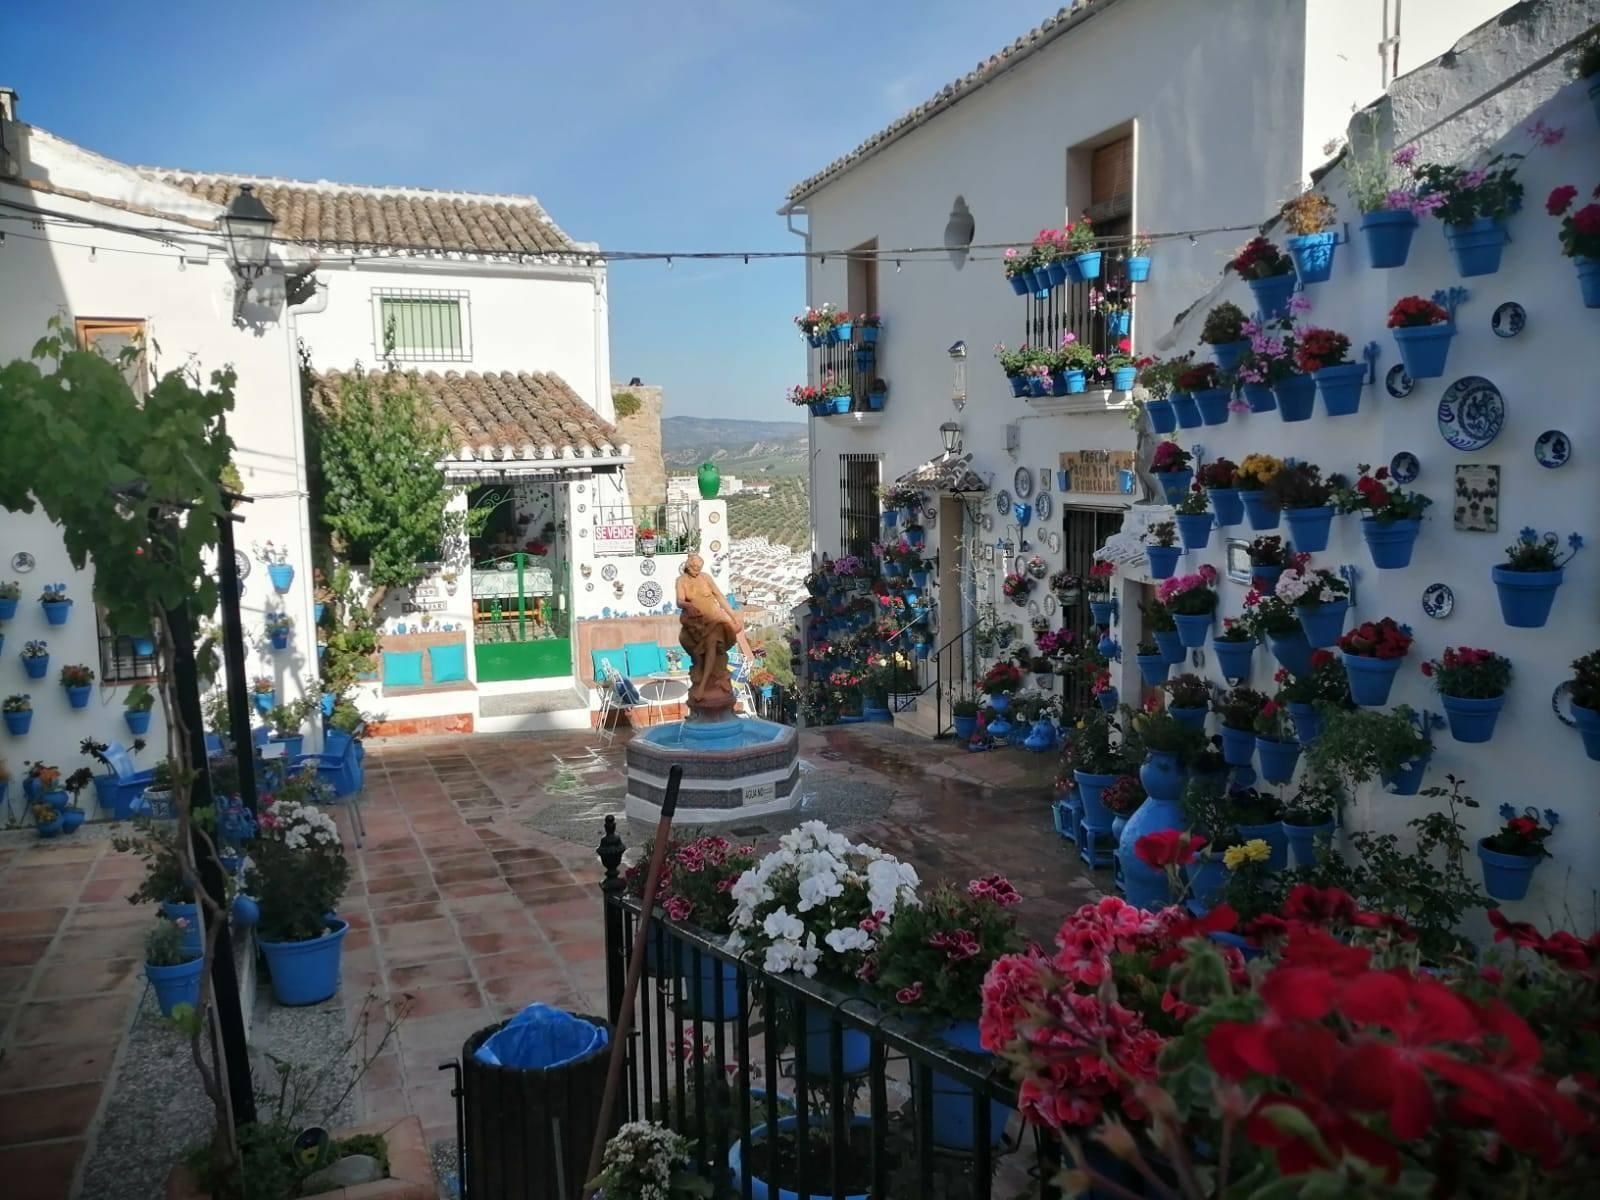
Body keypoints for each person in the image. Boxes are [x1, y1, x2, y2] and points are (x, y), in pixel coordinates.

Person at [675, 553, 751, 712]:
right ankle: (703, 674)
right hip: (697, 621)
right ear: (688, 566)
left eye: (699, 568)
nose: (697, 571)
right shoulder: (681, 581)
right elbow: (679, 601)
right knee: (688, 641)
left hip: (715, 619)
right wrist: (688, 606)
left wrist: (732, 614)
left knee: (711, 644)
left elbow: (720, 597)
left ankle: (703, 686)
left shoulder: (706, 578)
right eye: (695, 568)